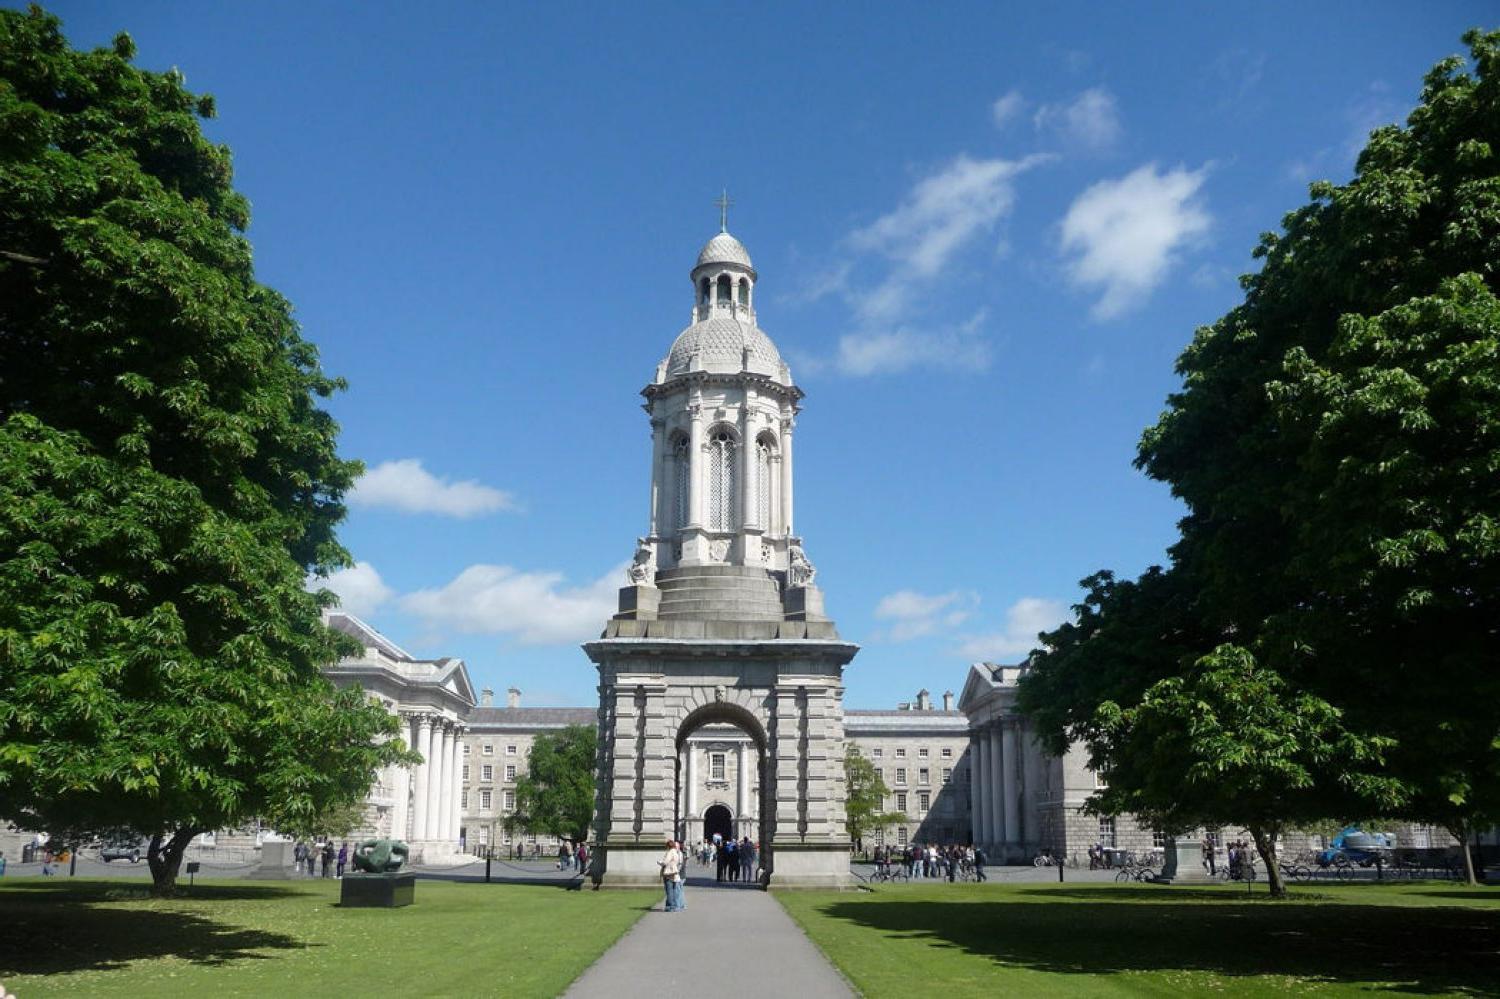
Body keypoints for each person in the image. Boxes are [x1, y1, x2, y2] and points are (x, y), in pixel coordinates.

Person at [658, 836, 682, 912]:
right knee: (673, 889)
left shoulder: (670, 852)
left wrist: (660, 862)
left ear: (668, 846)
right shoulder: (676, 852)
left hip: (668, 872)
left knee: (669, 890)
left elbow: (665, 862)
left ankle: (670, 906)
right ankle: (673, 905)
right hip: (674, 872)